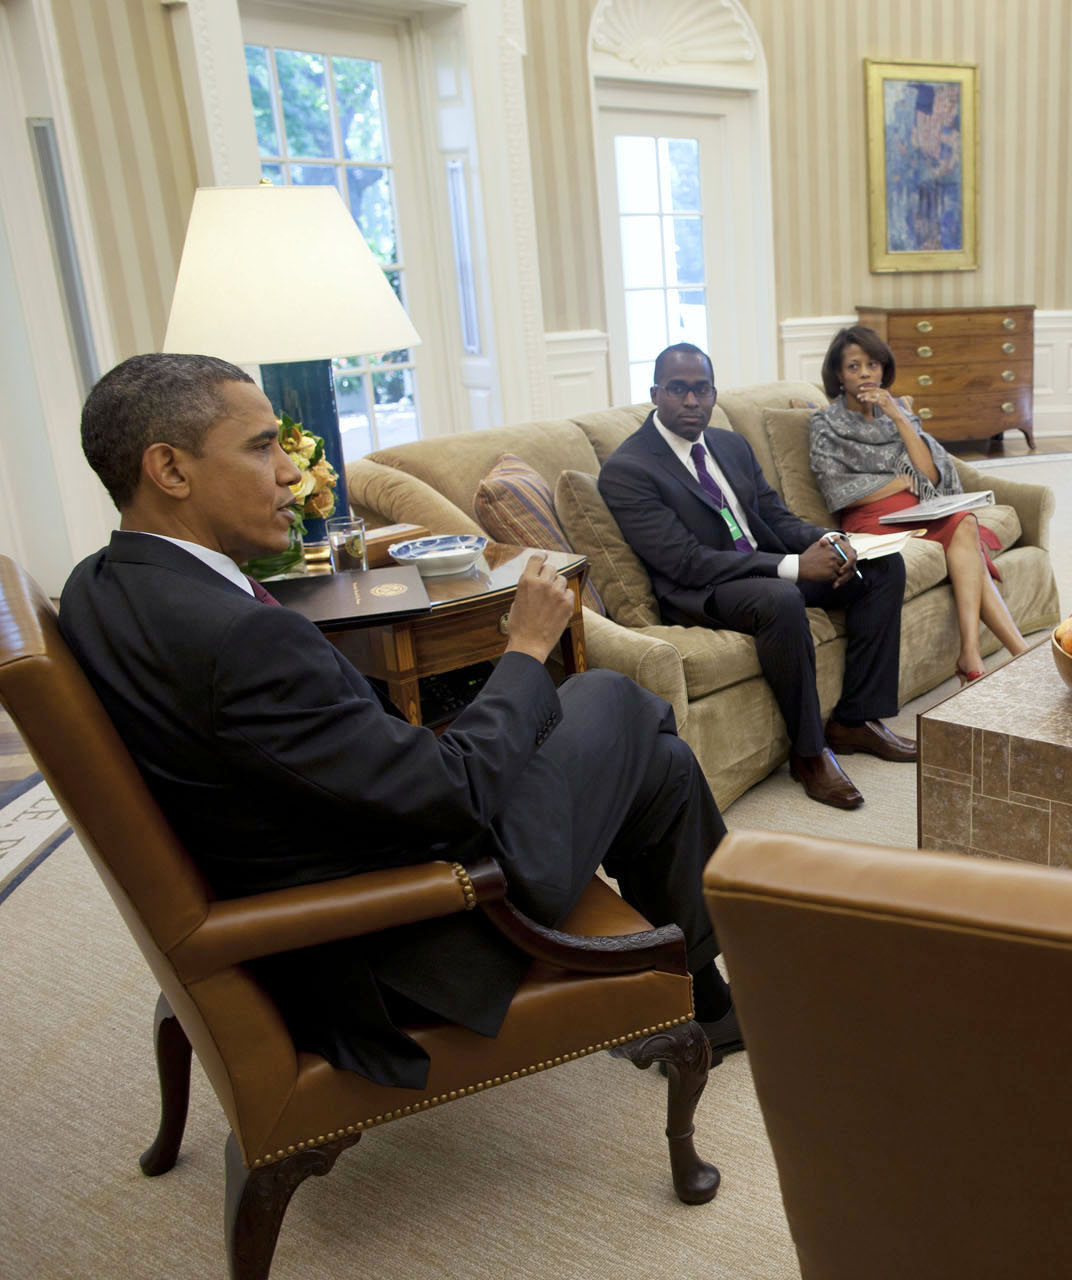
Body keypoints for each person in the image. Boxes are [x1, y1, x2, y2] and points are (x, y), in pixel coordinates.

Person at [59, 353, 740, 1090]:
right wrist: (527, 648)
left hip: (331, 851)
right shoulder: (241, 638)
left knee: (654, 761)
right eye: (261, 446)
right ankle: (711, 973)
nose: (291, 473)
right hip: (417, 920)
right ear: (170, 469)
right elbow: (454, 795)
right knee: (616, 697)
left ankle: (702, 994)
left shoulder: (98, 584)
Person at [598, 342, 917, 811]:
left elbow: (774, 516)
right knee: (780, 600)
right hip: (702, 590)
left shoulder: (727, 444)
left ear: (713, 393)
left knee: (884, 566)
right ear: (655, 394)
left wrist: (829, 540)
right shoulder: (629, 469)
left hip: (762, 567)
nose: (691, 402)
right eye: (678, 390)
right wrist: (791, 567)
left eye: (701, 390)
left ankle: (854, 719)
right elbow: (683, 561)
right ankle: (809, 754)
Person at [808, 325, 1031, 682]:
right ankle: (1015, 654)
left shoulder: (898, 414)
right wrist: (896, 482)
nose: (865, 373)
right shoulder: (825, 423)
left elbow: (928, 474)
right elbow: (837, 490)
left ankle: (975, 653)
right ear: (838, 374)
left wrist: (897, 416)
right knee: (967, 538)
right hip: (871, 519)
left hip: (918, 510)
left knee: (965, 523)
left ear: (883, 369)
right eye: (853, 367)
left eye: (872, 364)